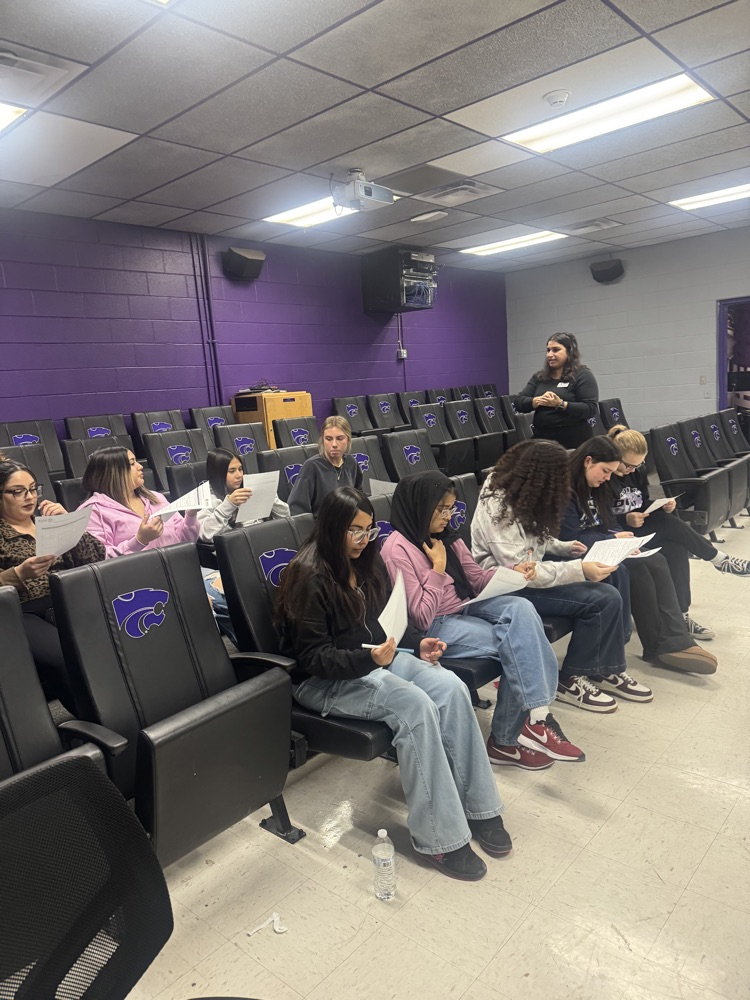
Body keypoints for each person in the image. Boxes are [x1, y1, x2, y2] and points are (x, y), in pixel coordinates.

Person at [275, 486, 510, 881]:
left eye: (368, 530)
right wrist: (369, 659)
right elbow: (311, 657)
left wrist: (417, 643)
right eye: (354, 530)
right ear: (332, 528)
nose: (363, 539)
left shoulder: (366, 563)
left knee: (450, 687)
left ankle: (480, 808)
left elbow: (387, 622)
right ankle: (439, 839)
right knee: (413, 706)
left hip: (371, 659)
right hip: (322, 680)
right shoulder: (308, 575)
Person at [381, 471, 586, 770]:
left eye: (450, 509)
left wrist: (513, 572)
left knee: (521, 609)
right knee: (519, 644)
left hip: (467, 605)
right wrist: (437, 569)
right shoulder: (396, 549)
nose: (446, 516)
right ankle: (515, 734)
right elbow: (420, 617)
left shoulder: (446, 537)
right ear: (419, 506)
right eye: (440, 509)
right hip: (436, 623)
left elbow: (476, 579)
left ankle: (534, 718)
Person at [472, 440, 630, 715]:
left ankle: (605, 667)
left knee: (613, 575)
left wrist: (562, 547)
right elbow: (522, 568)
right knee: (602, 598)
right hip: (505, 584)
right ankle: (570, 679)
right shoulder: (497, 503)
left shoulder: (521, 490)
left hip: (525, 572)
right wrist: (580, 569)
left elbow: (533, 536)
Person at [560, 436, 717, 677]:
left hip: (600, 545)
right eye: (605, 471)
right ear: (587, 461)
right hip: (575, 555)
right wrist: (611, 540)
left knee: (656, 559)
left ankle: (676, 639)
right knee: (638, 568)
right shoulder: (565, 490)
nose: (608, 478)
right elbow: (570, 539)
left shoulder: (597, 485)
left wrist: (617, 534)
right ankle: (659, 647)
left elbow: (604, 524)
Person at [607, 424, 750, 641]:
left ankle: (681, 616)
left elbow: (640, 501)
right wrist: (624, 518)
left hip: (639, 526)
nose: (632, 470)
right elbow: (599, 515)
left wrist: (660, 504)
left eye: (639, 464)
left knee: (676, 547)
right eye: (628, 465)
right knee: (667, 523)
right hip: (617, 533)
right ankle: (719, 559)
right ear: (614, 455)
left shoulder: (636, 470)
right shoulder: (604, 474)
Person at [0, 457, 104, 706]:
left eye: (33, 489)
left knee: (112, 636)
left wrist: (69, 522)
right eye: (18, 491)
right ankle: (96, 720)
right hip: (21, 611)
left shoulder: (48, 524)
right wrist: (18, 575)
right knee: (62, 656)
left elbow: (97, 556)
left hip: (68, 599)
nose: (29, 497)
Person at [79, 446, 200, 556]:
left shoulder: (156, 497)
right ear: (114, 472)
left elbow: (186, 541)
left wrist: (190, 515)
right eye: (132, 463)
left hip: (178, 566)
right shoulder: (93, 512)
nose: (140, 466)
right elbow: (100, 560)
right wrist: (139, 540)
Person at [514, 332, 599, 448]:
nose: (550, 354)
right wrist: (536, 401)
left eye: (556, 350)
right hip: (543, 440)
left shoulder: (582, 375)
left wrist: (560, 404)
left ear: (569, 352)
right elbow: (518, 402)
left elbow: (590, 409)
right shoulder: (540, 377)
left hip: (574, 441)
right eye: (548, 350)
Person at [288, 416, 363, 516]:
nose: (334, 444)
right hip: (321, 528)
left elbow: (359, 498)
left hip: (348, 525)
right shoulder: (312, 467)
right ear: (322, 440)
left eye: (340, 438)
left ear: (348, 439)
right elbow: (297, 511)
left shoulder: (351, 462)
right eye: (329, 439)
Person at [197, 448, 255, 542]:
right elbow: (205, 534)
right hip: (235, 548)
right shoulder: (206, 497)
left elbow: (284, 519)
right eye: (232, 471)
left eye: (240, 469)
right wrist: (229, 505)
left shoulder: (246, 488)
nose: (239, 475)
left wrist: (272, 498)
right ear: (218, 474)